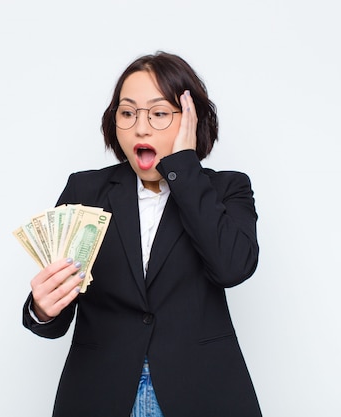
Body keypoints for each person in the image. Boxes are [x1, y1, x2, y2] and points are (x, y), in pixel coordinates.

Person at [22, 51, 262, 417]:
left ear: (190, 121)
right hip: (98, 392)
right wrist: (42, 309)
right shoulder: (85, 190)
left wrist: (183, 167)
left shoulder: (227, 189)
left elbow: (231, 268)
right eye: (128, 112)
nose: (141, 127)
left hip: (201, 392)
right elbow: (57, 316)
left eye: (160, 113)